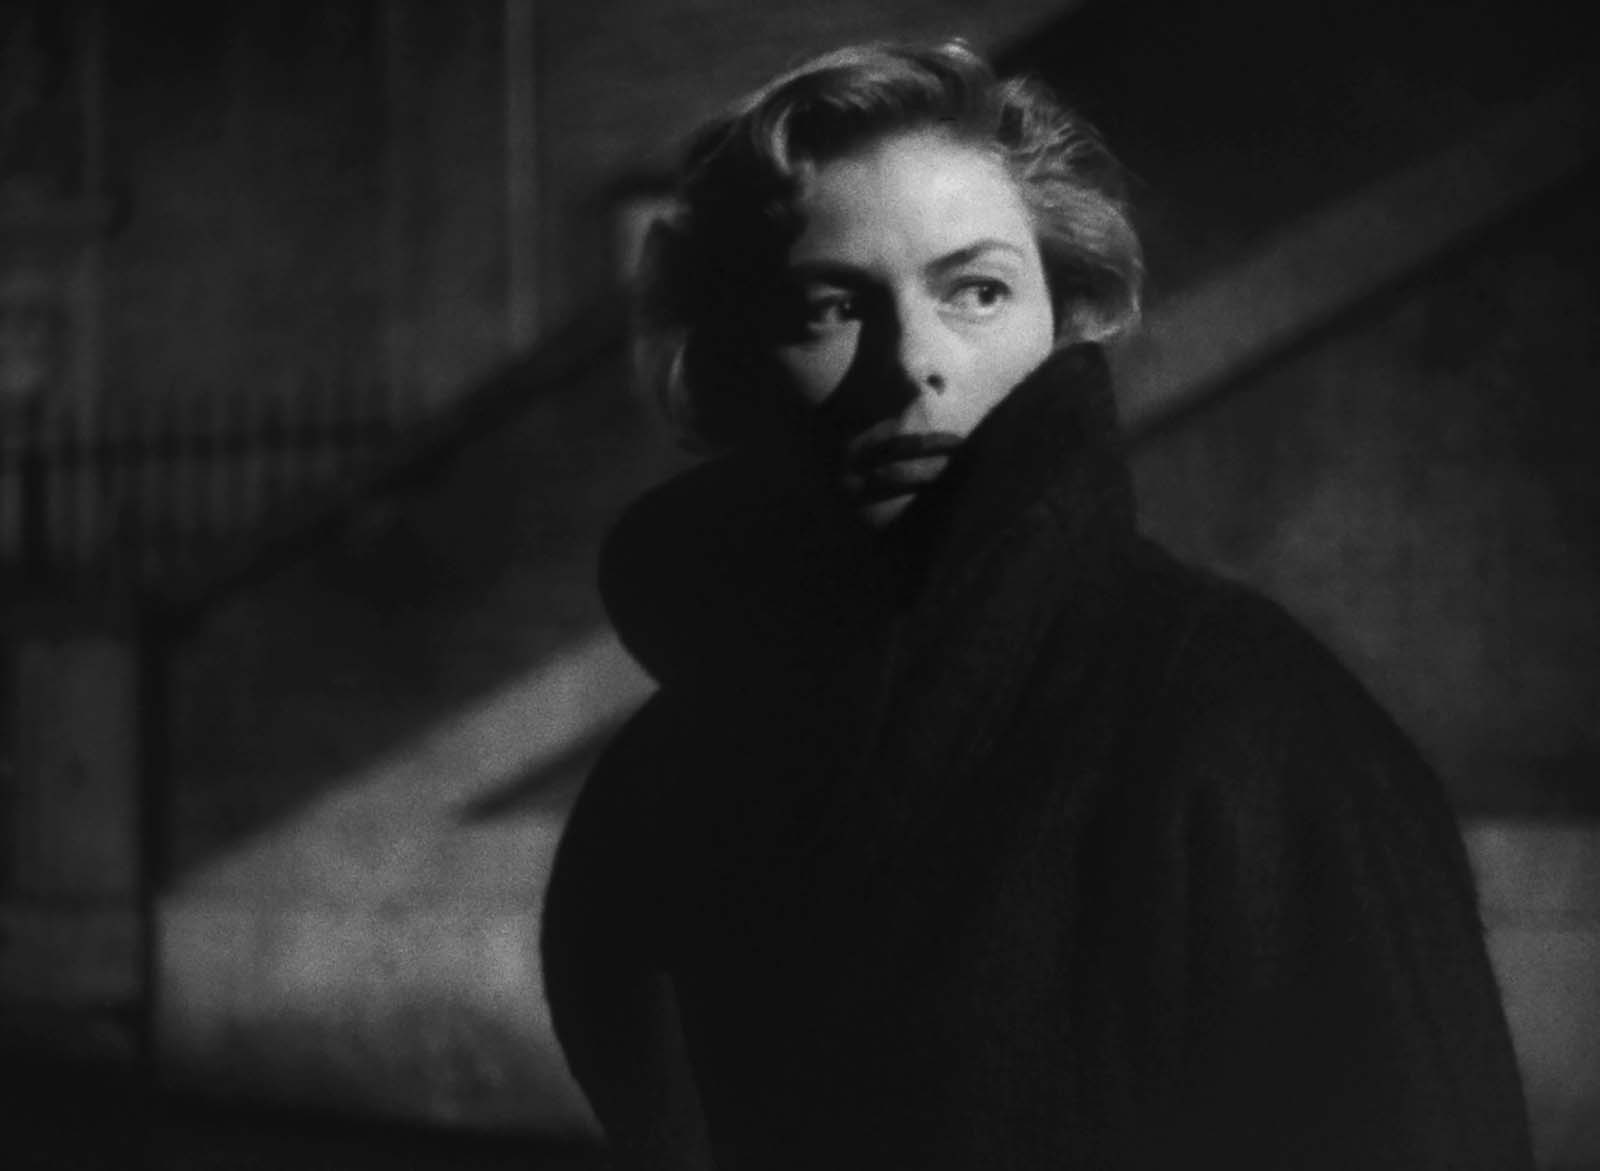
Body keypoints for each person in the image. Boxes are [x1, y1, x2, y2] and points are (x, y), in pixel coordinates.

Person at [541, 39, 1534, 1171]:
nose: (912, 363)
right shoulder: (667, 780)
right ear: (735, 360)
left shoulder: (1253, 728)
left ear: (1064, 320)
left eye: (976, 291)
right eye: (829, 306)